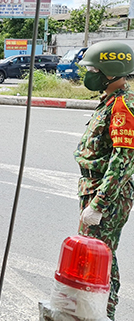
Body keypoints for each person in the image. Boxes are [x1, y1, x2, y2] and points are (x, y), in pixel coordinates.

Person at [74, 41, 134, 320]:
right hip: (93, 189)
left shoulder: (123, 105)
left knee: (102, 257)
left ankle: (104, 314)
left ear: (112, 72)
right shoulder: (108, 102)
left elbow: (123, 161)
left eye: (95, 69)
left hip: (106, 194)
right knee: (93, 255)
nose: (90, 74)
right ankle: (92, 312)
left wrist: (99, 203)